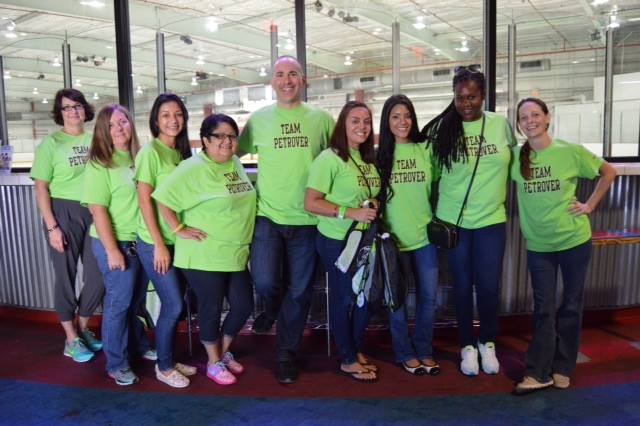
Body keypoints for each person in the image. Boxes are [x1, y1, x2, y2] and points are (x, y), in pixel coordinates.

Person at [238, 55, 335, 383]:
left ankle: (286, 353)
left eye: (293, 74)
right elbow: (228, 154)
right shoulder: (259, 120)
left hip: (308, 219)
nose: (287, 80)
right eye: (280, 74)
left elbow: (341, 157)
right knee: (265, 281)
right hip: (268, 215)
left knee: (300, 290)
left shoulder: (321, 120)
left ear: (303, 80)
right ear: (272, 82)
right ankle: (271, 308)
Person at [512, 98, 616, 394]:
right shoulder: (516, 157)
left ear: (548, 117)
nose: (530, 121)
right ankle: (538, 372)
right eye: (523, 117)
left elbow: (609, 172)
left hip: (573, 240)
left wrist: (589, 205)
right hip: (539, 246)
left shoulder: (570, 151)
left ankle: (563, 368)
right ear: (519, 124)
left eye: (535, 114)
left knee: (571, 306)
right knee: (543, 309)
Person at [421, 65, 516, 376]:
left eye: (472, 97)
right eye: (460, 97)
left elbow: (518, 160)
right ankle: (466, 346)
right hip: (454, 223)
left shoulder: (500, 125)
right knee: (461, 287)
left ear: (483, 95)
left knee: (488, 287)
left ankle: (487, 342)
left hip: (491, 221)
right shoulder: (443, 130)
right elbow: (429, 174)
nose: (466, 104)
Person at [153, 114, 256, 386]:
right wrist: (178, 229)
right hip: (203, 253)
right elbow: (162, 199)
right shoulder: (192, 167)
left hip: (234, 251)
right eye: (219, 136)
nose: (227, 141)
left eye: (231, 136)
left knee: (244, 305)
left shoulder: (234, 162)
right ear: (205, 140)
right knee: (211, 308)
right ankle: (212, 363)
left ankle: (222, 353)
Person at [305, 100, 380, 383]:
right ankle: (347, 359)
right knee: (344, 297)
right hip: (337, 241)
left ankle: (356, 350)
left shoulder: (366, 158)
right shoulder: (329, 159)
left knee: (363, 298)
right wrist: (349, 212)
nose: (362, 126)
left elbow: (367, 193)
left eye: (366, 121)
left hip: (364, 238)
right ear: (343, 125)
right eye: (355, 121)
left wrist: (372, 203)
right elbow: (311, 202)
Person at [30, 88, 103, 363]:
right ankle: (71, 339)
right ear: (60, 113)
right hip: (63, 213)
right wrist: (52, 227)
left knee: (98, 275)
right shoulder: (51, 144)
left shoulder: (95, 139)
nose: (73, 111)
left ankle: (82, 328)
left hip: (94, 211)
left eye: (78, 105)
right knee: (65, 277)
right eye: (67, 107)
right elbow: (41, 188)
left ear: (85, 109)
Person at [82, 104, 151, 386]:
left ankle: (139, 346)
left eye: (123, 121)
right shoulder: (99, 163)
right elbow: (97, 210)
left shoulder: (140, 156)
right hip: (115, 241)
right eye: (111, 125)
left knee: (135, 301)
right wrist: (112, 250)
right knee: (119, 303)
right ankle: (116, 364)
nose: (119, 128)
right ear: (103, 131)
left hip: (141, 239)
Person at [134, 93, 196, 388]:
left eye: (178, 114)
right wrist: (159, 244)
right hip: (154, 241)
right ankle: (164, 366)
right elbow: (145, 201)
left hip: (178, 238)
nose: (173, 120)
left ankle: (168, 357)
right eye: (166, 115)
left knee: (177, 303)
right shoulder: (150, 153)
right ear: (155, 120)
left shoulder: (181, 153)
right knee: (172, 304)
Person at [377, 95, 440, 376]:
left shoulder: (426, 149)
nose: (402, 121)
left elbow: (440, 185)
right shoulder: (380, 157)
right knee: (398, 300)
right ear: (387, 122)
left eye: (407, 115)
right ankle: (404, 352)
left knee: (429, 298)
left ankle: (424, 349)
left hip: (425, 238)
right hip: (394, 241)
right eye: (395, 116)